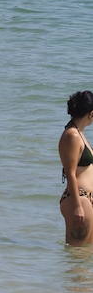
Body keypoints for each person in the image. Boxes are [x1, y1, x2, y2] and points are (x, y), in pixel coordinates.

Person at [60, 91, 93, 244]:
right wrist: (77, 206)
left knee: (85, 255)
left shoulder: (80, 133)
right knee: (77, 255)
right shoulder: (72, 135)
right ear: (91, 113)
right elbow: (70, 173)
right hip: (79, 198)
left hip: (86, 199)